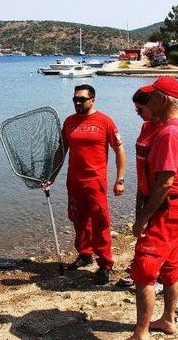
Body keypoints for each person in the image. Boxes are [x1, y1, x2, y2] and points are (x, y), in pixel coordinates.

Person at [115, 76, 178, 340]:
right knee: (171, 263)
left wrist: (142, 218)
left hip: (166, 208)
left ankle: (141, 335)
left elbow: (164, 182)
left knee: (144, 271)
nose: (147, 103)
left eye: (151, 98)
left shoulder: (170, 133)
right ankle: (168, 319)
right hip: (177, 205)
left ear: (163, 99)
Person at [54, 84, 127, 285]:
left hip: (96, 182)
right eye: (75, 99)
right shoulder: (69, 122)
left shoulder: (105, 121)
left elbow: (119, 150)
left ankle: (105, 264)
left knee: (100, 223)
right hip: (74, 181)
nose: (78, 102)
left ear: (92, 100)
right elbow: (61, 151)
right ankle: (85, 254)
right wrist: (50, 175)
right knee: (78, 220)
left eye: (82, 99)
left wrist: (120, 179)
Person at [115, 89, 164, 296]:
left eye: (140, 110)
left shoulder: (166, 131)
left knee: (157, 238)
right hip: (143, 190)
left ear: (154, 105)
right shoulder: (146, 127)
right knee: (142, 234)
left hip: (157, 194)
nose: (138, 114)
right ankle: (138, 271)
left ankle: (158, 278)